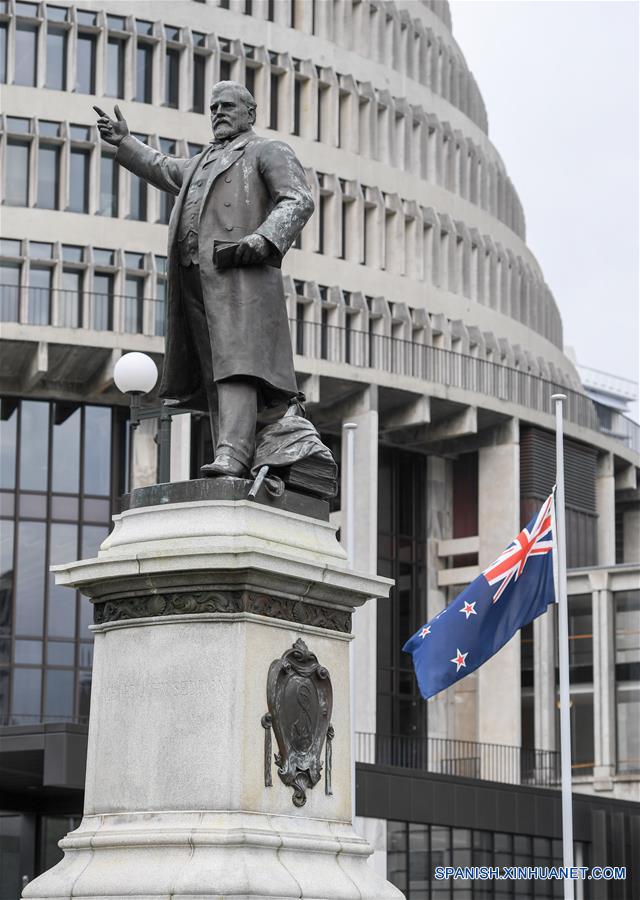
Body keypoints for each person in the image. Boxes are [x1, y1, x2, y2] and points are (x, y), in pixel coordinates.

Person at [94, 81, 314, 478]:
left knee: (237, 365)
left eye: (227, 106)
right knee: (215, 370)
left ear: (250, 113)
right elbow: (161, 166)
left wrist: (263, 238)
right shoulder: (200, 163)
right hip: (196, 280)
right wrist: (125, 142)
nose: (218, 113)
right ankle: (231, 455)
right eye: (213, 107)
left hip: (239, 278)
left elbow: (298, 198)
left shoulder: (267, 150)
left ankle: (234, 455)